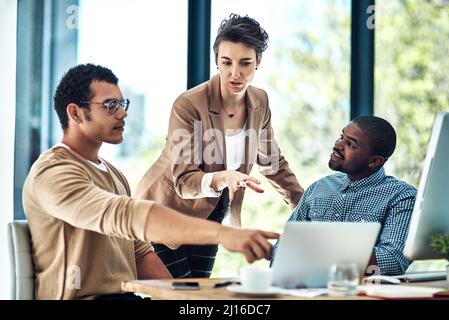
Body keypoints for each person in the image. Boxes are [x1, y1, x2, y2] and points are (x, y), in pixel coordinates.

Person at [22, 63, 279, 300]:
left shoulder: (114, 174)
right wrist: (223, 235)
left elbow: (141, 253)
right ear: (75, 113)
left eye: (123, 104)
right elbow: (124, 214)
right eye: (111, 105)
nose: (122, 113)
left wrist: (184, 301)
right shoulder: (53, 172)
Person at [135, 14, 304, 279]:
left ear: (258, 62)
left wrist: (306, 207)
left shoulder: (260, 101)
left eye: (245, 63)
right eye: (226, 62)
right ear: (216, 61)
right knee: (177, 295)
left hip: (211, 211)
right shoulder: (188, 105)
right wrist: (224, 177)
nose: (235, 73)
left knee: (200, 292)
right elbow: (184, 180)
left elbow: (273, 164)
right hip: (164, 210)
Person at [273, 116, 417, 276]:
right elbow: (284, 245)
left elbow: (393, 260)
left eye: (350, 144)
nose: (338, 145)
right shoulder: (319, 188)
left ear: (374, 161)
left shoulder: (401, 196)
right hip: (303, 290)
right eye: (342, 137)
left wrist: (320, 254)